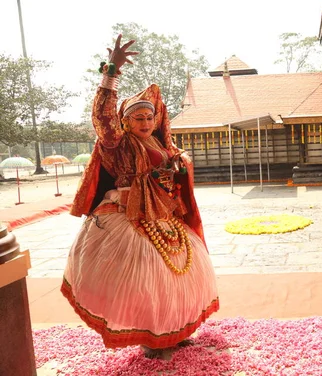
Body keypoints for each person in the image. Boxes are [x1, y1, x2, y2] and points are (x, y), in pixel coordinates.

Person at [62, 35, 219, 358]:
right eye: (138, 118)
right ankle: (151, 339)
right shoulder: (117, 144)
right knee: (144, 282)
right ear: (125, 122)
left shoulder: (161, 145)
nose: (146, 122)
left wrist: (176, 167)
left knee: (175, 279)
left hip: (164, 219)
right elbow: (103, 118)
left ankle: (172, 333)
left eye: (150, 118)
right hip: (128, 218)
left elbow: (170, 175)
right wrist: (111, 73)